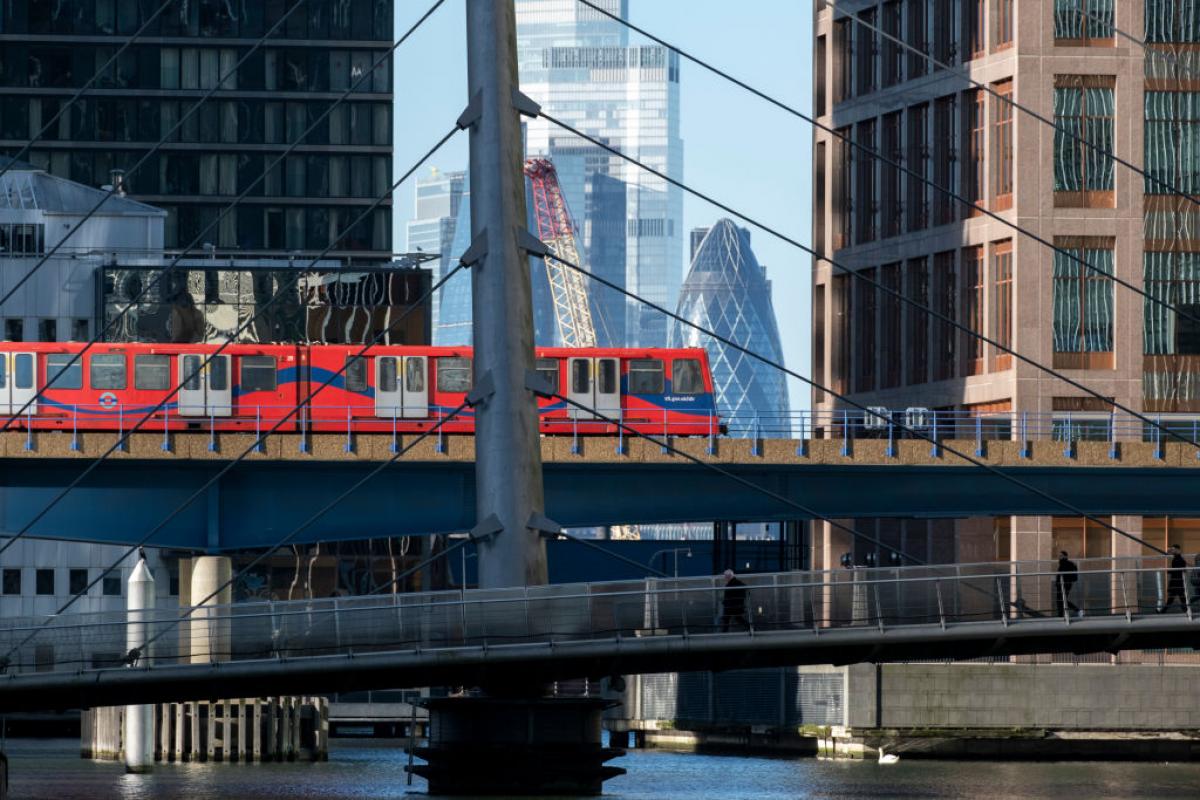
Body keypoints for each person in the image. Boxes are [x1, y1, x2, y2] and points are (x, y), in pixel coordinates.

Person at [1160, 544, 1189, 613]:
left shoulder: (1178, 559)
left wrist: (1169, 570)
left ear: (1177, 550)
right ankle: (1186, 611)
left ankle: (1163, 611)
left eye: (1174, 549)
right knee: (1179, 598)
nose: (1172, 551)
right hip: (1177, 581)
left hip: (1177, 581)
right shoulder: (1177, 558)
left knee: (1175, 598)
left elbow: (1177, 570)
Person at [1055, 551, 1081, 618]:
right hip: (1061, 584)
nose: (1059, 557)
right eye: (1059, 555)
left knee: (1062, 600)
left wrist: (1061, 582)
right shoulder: (1062, 563)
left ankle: (1077, 610)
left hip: (1065, 584)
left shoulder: (1066, 563)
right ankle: (1061, 615)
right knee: (1060, 600)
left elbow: (1065, 575)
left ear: (1065, 556)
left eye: (1061, 555)